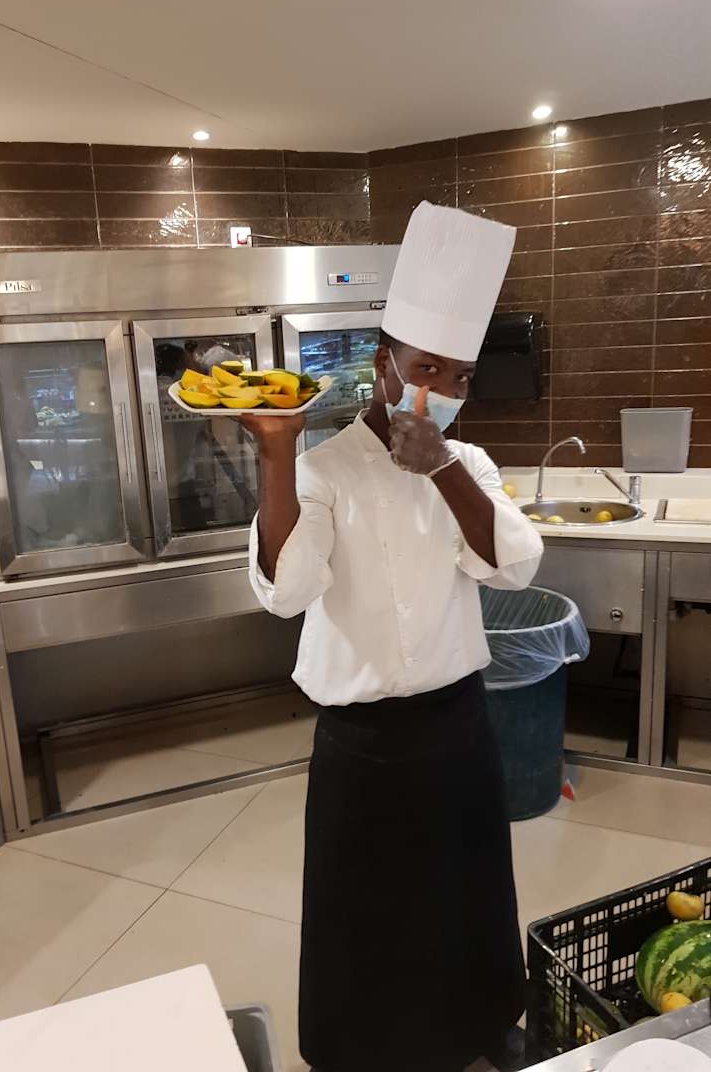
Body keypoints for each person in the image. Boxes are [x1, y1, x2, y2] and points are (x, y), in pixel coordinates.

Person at [242, 202, 545, 1072]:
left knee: (471, 890)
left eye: (458, 376)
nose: (439, 389)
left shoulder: (468, 464)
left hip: (457, 721)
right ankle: (362, 1052)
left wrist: (441, 468)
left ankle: (485, 1024)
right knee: (364, 904)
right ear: (383, 367)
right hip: (362, 738)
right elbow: (286, 591)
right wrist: (276, 456)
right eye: (424, 367)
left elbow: (515, 564)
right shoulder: (324, 470)